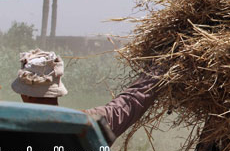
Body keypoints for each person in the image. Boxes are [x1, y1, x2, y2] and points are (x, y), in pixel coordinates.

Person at [11, 49, 158, 142]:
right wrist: (161, 65)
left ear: (26, 95)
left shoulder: (9, 131)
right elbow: (130, 102)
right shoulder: (88, 123)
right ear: (56, 91)